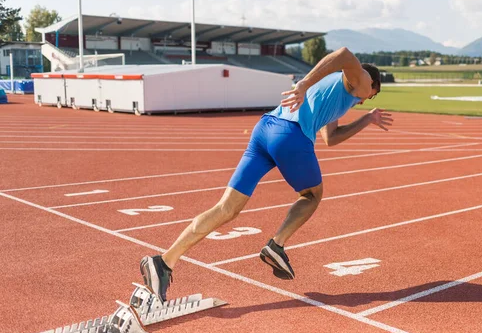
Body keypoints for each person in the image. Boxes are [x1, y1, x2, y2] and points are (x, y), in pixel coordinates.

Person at [140, 47, 393, 303]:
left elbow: (331, 138)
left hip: (265, 130)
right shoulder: (361, 82)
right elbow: (345, 54)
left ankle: (163, 262)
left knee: (226, 208)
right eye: (372, 95)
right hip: (291, 135)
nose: (365, 100)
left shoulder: (336, 94)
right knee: (312, 195)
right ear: (371, 83)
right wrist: (304, 83)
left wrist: (367, 120)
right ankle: (276, 245)